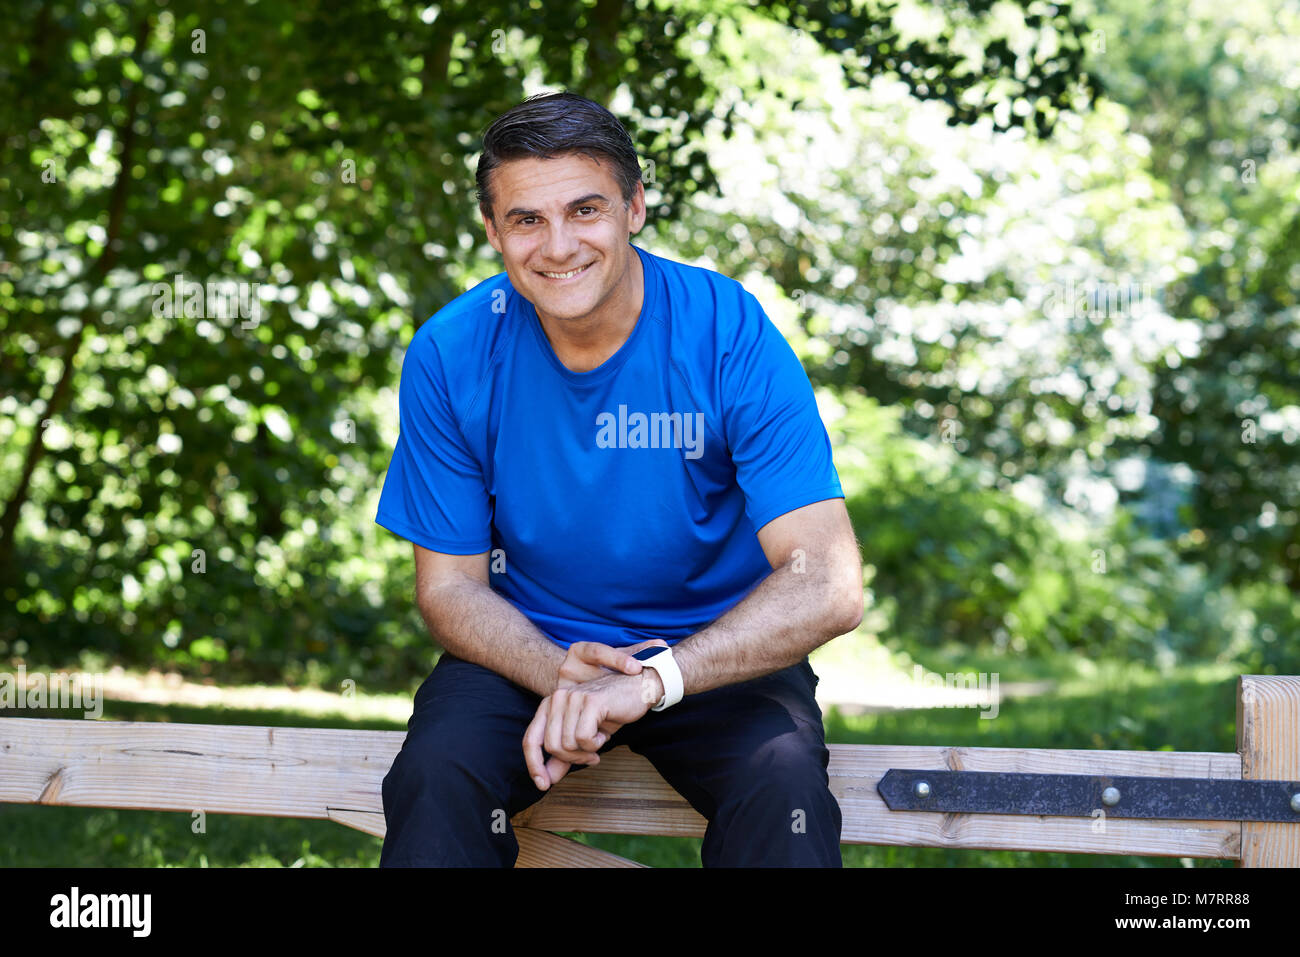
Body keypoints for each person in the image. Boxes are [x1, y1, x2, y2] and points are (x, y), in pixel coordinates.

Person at [374, 90, 863, 867]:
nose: (558, 244)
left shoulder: (728, 330)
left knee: (782, 784)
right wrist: (561, 674)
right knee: (437, 773)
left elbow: (827, 582)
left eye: (585, 209)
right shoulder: (451, 352)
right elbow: (451, 590)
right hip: (531, 648)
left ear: (634, 207)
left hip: (712, 650)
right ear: (494, 231)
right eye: (527, 219)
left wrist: (651, 681)